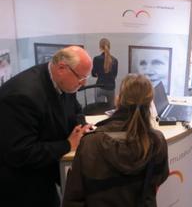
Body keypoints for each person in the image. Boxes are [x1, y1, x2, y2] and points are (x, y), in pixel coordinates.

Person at [0, 46, 93, 207]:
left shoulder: (64, 81)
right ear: (62, 69)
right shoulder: (22, 96)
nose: (83, 83)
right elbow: (21, 152)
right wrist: (68, 144)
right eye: (81, 77)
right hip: (22, 185)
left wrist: (81, 126)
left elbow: (75, 109)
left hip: (46, 171)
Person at [62, 74, 169, 207]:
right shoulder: (157, 140)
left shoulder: (91, 143)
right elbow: (160, 177)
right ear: (150, 104)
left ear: (118, 100)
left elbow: (73, 196)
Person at [92, 38, 118, 108]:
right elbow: (115, 75)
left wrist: (99, 74)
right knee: (111, 109)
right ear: (109, 47)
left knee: (99, 110)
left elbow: (93, 73)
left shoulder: (96, 59)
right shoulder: (115, 60)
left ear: (100, 47)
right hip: (111, 87)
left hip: (100, 86)